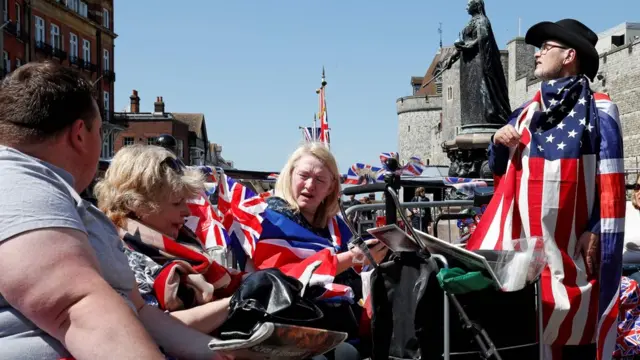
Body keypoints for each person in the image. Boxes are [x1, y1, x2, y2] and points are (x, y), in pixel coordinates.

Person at [0, 61, 227, 359]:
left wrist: (226, 355)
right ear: (80, 134)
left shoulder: (65, 199)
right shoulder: (18, 181)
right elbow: (76, 309)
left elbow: (142, 314)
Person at [468, 19, 625, 359]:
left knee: (573, 342)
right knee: (526, 338)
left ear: (570, 55)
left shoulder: (600, 110)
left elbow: (610, 180)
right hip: (527, 252)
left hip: (572, 248)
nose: (537, 55)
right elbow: (498, 170)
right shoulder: (524, 113)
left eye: (545, 48)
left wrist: (596, 227)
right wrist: (497, 141)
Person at [94, 144, 237, 335]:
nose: (186, 211)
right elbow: (156, 327)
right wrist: (238, 302)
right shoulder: (115, 250)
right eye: (177, 202)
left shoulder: (181, 242)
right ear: (137, 204)